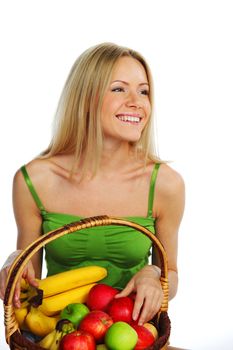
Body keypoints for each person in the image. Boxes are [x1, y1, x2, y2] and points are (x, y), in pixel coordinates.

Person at [0, 42, 185, 326]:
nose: (137, 101)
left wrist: (153, 275)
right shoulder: (34, 180)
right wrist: (14, 261)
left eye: (144, 91)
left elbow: (170, 273)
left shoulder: (164, 184)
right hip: (56, 334)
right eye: (119, 88)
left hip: (134, 337)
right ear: (85, 98)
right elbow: (29, 281)